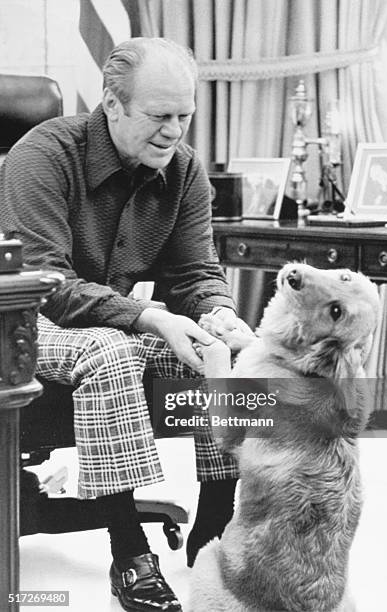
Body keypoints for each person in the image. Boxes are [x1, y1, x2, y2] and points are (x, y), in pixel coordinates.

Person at [0, 37, 248, 612]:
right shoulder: (43, 154)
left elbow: (195, 271)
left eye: (184, 116)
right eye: (159, 116)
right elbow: (47, 286)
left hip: (101, 317)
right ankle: (129, 552)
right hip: (16, 321)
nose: (174, 131)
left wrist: (218, 311)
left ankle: (218, 523)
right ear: (111, 104)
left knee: (221, 348)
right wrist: (151, 317)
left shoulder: (183, 171)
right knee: (112, 350)